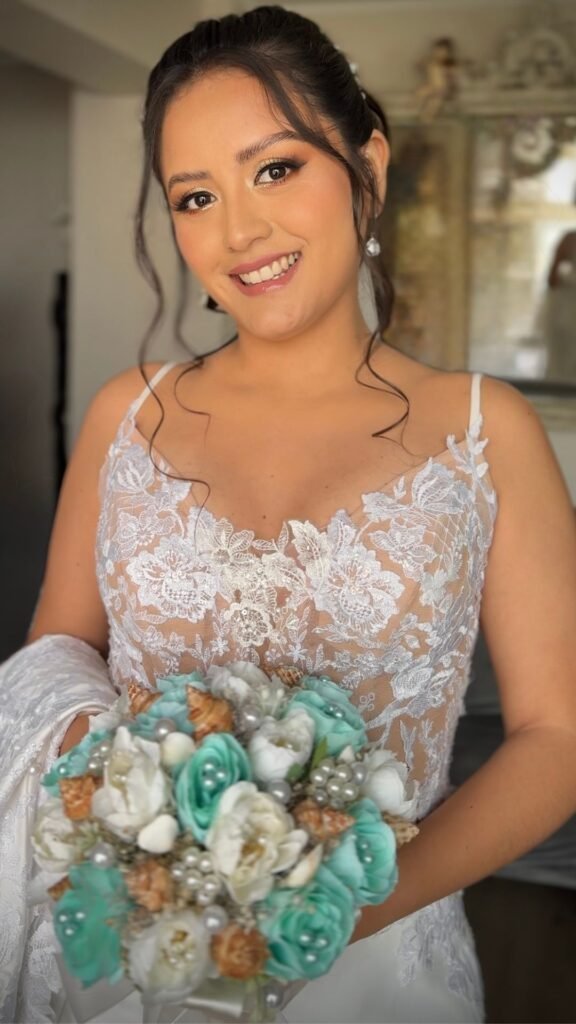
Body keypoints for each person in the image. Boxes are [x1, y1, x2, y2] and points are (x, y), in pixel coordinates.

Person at [1, 6, 576, 1023]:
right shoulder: (127, 416)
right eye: (196, 196)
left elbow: (557, 738)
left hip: (379, 965)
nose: (239, 231)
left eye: (275, 169)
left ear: (368, 168)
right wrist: (141, 818)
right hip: (142, 950)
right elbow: (57, 657)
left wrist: (338, 908)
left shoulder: (487, 431)